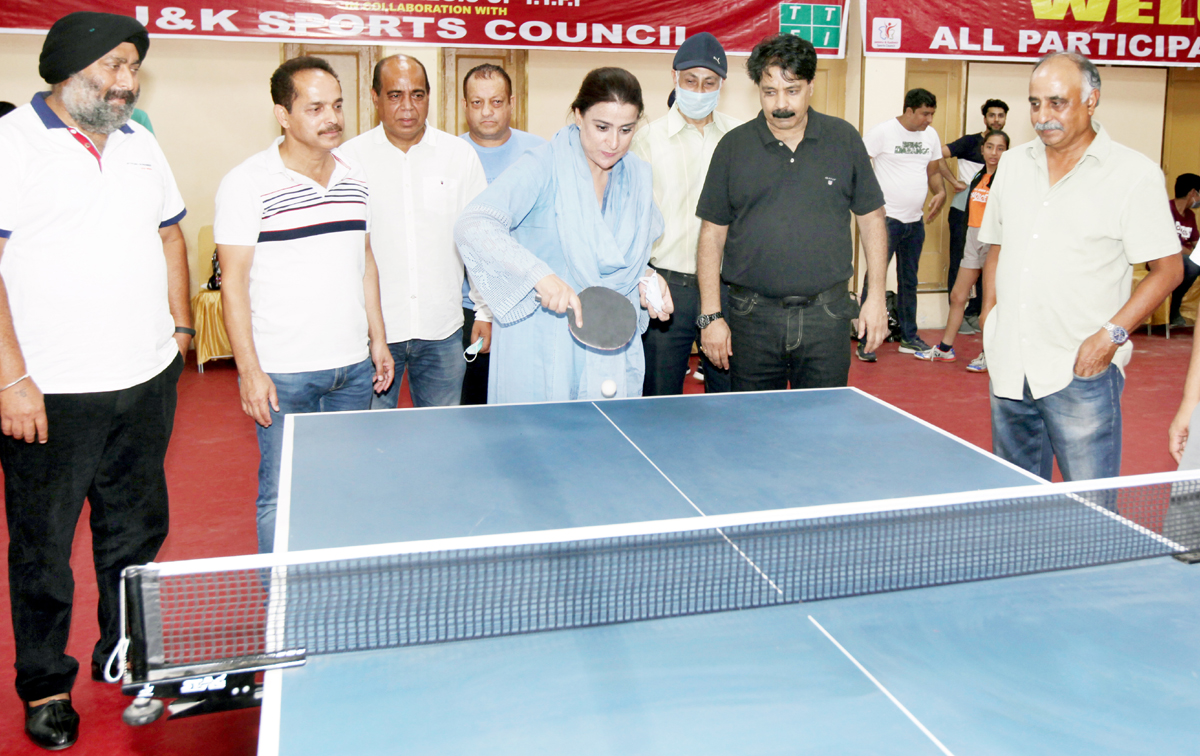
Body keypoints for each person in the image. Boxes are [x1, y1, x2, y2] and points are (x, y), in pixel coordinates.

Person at [0, 12, 190, 749]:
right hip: (50, 392)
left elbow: (170, 233)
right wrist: (11, 378)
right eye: (111, 68)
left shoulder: (142, 143)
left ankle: (129, 655)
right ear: (65, 69)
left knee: (136, 534)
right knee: (43, 549)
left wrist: (178, 332)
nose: (125, 82)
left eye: (132, 68)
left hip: (144, 380)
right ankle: (46, 684)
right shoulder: (12, 142)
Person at [216, 57, 393, 553]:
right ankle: (284, 612)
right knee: (282, 494)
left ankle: (335, 591)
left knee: (345, 487)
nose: (331, 117)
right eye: (314, 107)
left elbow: (366, 261)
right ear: (283, 114)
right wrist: (249, 371)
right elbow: (233, 283)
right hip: (284, 374)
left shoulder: (355, 175)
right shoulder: (247, 183)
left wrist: (377, 340)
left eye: (336, 105)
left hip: (353, 371)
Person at [979, 52, 1181, 482]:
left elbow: (1169, 270)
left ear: (1092, 101)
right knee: (1014, 499)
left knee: (1090, 512)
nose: (1042, 116)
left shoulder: (1134, 174)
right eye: (1035, 103)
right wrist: (990, 319)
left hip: (1080, 369)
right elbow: (996, 246)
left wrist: (1109, 338)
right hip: (1011, 364)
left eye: (1057, 102)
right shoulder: (1013, 165)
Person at [454, 67, 671, 402]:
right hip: (542, 341)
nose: (613, 143)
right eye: (602, 127)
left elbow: (616, 258)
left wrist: (647, 279)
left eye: (626, 129)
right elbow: (475, 224)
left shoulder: (637, 178)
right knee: (539, 447)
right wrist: (539, 275)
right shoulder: (542, 165)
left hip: (607, 342)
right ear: (578, 115)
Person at [695, 34, 888, 391]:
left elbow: (872, 219)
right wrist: (711, 316)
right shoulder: (733, 147)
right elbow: (711, 233)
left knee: (820, 429)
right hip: (750, 318)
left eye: (792, 90)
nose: (780, 104)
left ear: (811, 85)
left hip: (827, 317)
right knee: (752, 430)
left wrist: (875, 296)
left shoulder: (843, 140)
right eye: (770, 92)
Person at [341, 55, 488, 409]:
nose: (407, 107)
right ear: (375, 98)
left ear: (429, 97)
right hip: (373, 334)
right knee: (370, 440)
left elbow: (481, 239)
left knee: (440, 440)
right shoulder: (348, 160)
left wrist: (484, 310)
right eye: (394, 95)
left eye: (418, 95)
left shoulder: (459, 156)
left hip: (442, 330)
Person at [631, 32, 741, 396]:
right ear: (674, 77)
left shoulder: (739, 138)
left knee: (728, 393)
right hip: (667, 289)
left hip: (726, 291)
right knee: (659, 399)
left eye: (709, 82)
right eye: (690, 81)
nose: (699, 90)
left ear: (721, 85)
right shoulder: (645, 140)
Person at [458, 63, 546, 405]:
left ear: (511, 102)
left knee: (522, 404)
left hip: (528, 304)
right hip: (469, 307)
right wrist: (482, 311)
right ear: (464, 106)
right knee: (474, 406)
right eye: (477, 103)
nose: (487, 112)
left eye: (496, 102)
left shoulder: (539, 154)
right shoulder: (452, 156)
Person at [859, 88, 947, 360]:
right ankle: (866, 342)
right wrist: (871, 202)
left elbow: (932, 171)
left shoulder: (930, 136)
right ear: (909, 110)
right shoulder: (883, 132)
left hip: (915, 221)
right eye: (924, 113)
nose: (929, 119)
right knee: (875, 278)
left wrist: (941, 192)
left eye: (932, 114)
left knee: (909, 280)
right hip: (886, 221)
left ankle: (909, 337)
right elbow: (860, 166)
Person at [916, 129, 1009, 372]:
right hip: (973, 238)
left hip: (994, 244)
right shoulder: (979, 176)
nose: (994, 153)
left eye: (1000, 148)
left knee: (989, 304)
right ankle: (945, 350)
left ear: (1007, 152)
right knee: (958, 296)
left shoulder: (1008, 179)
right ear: (982, 149)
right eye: (990, 147)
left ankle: (990, 354)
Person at [937, 99, 1008, 334]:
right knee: (961, 262)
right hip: (964, 212)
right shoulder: (970, 142)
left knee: (987, 270)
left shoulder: (1006, 155)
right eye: (992, 115)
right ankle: (958, 316)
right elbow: (937, 155)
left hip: (990, 221)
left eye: (1001, 115)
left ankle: (975, 314)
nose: (996, 119)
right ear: (984, 118)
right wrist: (953, 182)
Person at [1167, 172, 1200, 327]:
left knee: (1193, 262)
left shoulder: (1190, 215)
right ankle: (1174, 309)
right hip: (1166, 259)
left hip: (1187, 260)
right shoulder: (1166, 210)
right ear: (1193, 193)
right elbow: (1169, 244)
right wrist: (1193, 254)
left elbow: (1195, 243)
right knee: (1193, 264)